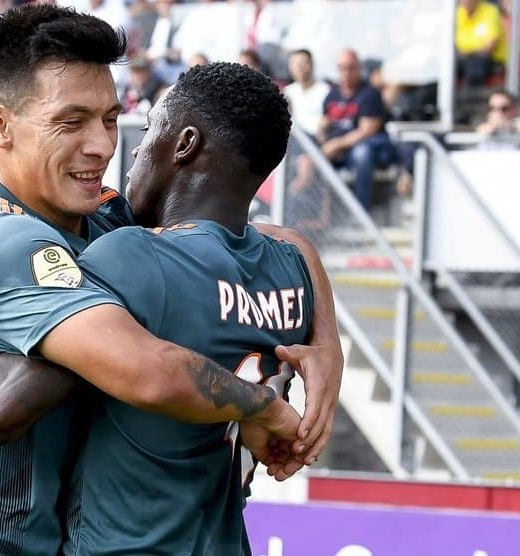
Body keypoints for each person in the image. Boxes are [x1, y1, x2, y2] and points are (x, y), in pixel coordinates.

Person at [0, 6, 341, 555]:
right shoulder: (3, 244)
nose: (102, 144)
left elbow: (249, 232)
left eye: (109, 118)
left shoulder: (104, 218)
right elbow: (6, 407)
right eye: (70, 122)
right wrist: (264, 405)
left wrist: (326, 344)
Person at [67, 60, 320, 556]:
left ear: (184, 144)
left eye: (149, 131)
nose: (136, 148)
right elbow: (286, 243)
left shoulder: (130, 256)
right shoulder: (296, 269)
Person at [318, 48, 396, 210]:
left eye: (351, 68)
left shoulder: (369, 93)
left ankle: (360, 210)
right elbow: (324, 123)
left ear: (359, 68)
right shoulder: (332, 94)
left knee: (362, 153)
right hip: (338, 148)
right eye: (342, 68)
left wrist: (337, 144)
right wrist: (323, 138)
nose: (346, 73)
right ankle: (319, 212)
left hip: (368, 148)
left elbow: (368, 130)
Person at [455, 0, 507, 88]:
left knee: (475, 65)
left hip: (490, 58)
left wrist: (469, 52)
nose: (466, 2)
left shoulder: (490, 11)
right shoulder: (458, 12)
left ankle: (471, 99)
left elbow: (491, 45)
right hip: (463, 58)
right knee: (445, 68)